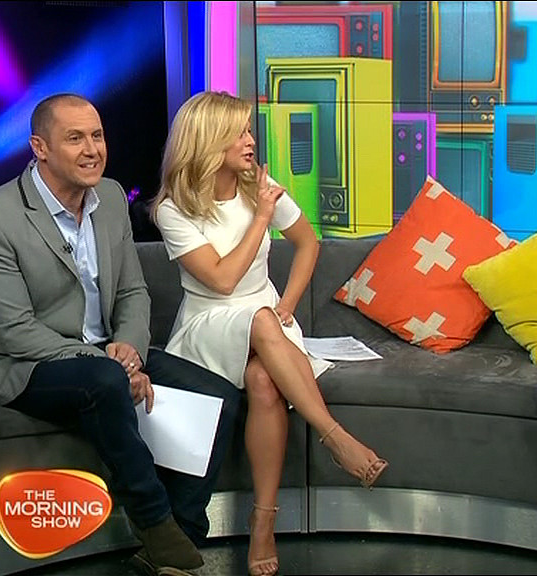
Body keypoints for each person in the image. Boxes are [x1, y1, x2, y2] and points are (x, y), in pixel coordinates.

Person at [0, 93, 243, 576]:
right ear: (40, 148)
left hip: (108, 352)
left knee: (219, 396)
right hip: (26, 364)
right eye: (75, 138)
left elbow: (132, 291)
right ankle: (154, 521)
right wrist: (112, 365)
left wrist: (129, 349)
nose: (92, 149)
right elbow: (14, 331)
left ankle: (181, 539)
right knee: (104, 382)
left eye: (97, 136)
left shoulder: (110, 197)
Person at [150, 90, 389, 576]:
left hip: (267, 321)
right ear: (208, 139)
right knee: (259, 319)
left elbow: (307, 242)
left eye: (248, 131)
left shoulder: (258, 186)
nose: (250, 141)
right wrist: (261, 216)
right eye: (238, 133)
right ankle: (334, 437)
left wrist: (288, 304)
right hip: (208, 323)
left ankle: (263, 522)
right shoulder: (173, 208)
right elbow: (221, 280)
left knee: (263, 380)